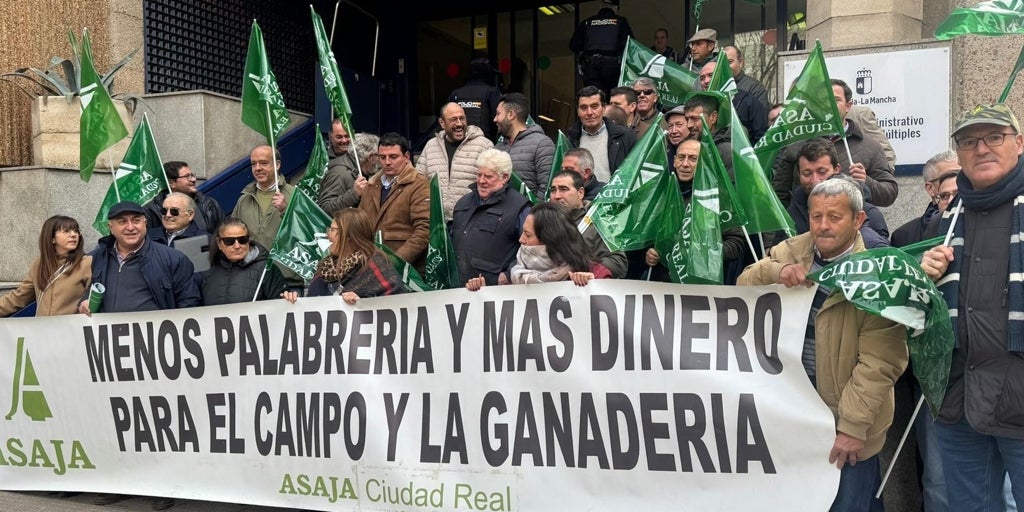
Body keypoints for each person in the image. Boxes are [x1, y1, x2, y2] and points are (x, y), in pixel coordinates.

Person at [738, 178, 908, 512]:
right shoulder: (792, 249)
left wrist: (852, 428)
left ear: (858, 220)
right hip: (795, 413)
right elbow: (743, 285)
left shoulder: (878, 273)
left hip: (845, 423)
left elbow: (880, 362)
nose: (823, 226)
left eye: (834, 217)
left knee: (848, 503)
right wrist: (776, 271)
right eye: (816, 216)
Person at [920, 103, 1024, 511]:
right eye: (968, 141)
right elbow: (922, 313)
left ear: (1019, 143)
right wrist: (925, 277)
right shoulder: (944, 221)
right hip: (959, 402)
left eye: (994, 137)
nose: (981, 148)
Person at [77, 200, 201, 511]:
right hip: (112, 355)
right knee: (116, 420)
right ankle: (120, 481)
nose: (130, 227)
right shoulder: (98, 257)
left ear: (146, 224)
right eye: (122, 222)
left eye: (136, 220)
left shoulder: (172, 259)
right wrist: (85, 302)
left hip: (155, 356)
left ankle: (162, 483)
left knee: (157, 422)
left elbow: (190, 303)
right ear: (110, 226)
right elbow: (90, 292)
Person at [772, 79, 898, 207]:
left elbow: (889, 193)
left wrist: (866, 181)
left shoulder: (870, 146)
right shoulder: (797, 142)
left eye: (836, 100)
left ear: (848, 105)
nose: (829, 105)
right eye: (823, 101)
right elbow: (780, 193)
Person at [644, 139, 747, 284]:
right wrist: (649, 254)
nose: (685, 164)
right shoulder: (662, 193)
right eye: (681, 157)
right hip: (663, 282)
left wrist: (706, 254)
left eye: (693, 159)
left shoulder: (718, 197)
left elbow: (736, 243)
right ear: (674, 161)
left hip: (702, 283)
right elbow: (648, 238)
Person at [779, 138, 890, 248]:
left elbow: (881, 253)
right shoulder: (793, 210)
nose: (815, 181)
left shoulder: (870, 214)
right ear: (799, 174)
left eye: (822, 172)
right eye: (807, 174)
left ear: (836, 169)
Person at [466, 201, 597, 289]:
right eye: (523, 232)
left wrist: (591, 283)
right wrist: (482, 292)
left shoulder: (590, 271)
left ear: (548, 239)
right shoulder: (515, 276)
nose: (521, 240)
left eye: (528, 235)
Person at [451, 148, 531, 286]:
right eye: (479, 175)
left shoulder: (520, 208)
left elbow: (531, 249)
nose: (481, 181)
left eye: (488, 177)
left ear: (504, 178)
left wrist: (508, 275)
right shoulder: (463, 203)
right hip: (457, 287)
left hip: (494, 290)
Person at [354, 132, 430, 271]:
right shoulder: (371, 184)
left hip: (407, 270)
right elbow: (359, 225)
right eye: (382, 157)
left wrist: (395, 262)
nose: (387, 162)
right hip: (371, 266)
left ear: (406, 157)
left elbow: (424, 231)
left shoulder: (419, 184)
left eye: (393, 157)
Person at [231, 145, 300, 291]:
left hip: (287, 281)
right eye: (253, 164)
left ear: (277, 165)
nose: (257, 168)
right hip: (251, 280)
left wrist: (286, 210)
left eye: (263, 163)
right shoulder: (244, 199)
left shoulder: (295, 195)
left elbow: (308, 234)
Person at [306, 208, 406, 303]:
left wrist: (362, 304)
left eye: (332, 230)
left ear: (349, 235)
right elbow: (310, 303)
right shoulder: (325, 267)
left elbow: (397, 303)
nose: (328, 235)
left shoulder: (374, 266)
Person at [416, 102, 494, 221]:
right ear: (442, 123)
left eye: (462, 118)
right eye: (453, 120)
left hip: (471, 220)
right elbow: (419, 183)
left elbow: (494, 184)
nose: (459, 124)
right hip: (437, 223)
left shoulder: (483, 146)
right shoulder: (430, 146)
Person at [0, 215, 91, 317]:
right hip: (41, 326)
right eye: (66, 231)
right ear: (52, 238)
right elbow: (19, 298)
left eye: (76, 231)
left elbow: (96, 295)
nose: (74, 235)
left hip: (70, 326)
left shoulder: (86, 263)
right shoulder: (39, 264)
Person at [548, 170, 627, 278]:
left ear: (580, 193)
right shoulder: (542, 220)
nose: (557, 196)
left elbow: (618, 262)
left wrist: (591, 271)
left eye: (563, 189)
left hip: (585, 286)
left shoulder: (600, 220)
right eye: (553, 190)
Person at [201, 218, 288, 305]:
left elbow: (281, 305)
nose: (237, 246)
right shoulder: (209, 273)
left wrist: (288, 298)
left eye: (242, 240)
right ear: (219, 243)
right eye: (229, 241)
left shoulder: (266, 270)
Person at [566, 85, 637, 183]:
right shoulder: (569, 140)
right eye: (583, 108)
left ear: (604, 108)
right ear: (578, 111)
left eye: (594, 106)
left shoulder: (626, 136)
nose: (589, 112)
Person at [891, 150, 959, 248]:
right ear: (930, 188)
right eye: (947, 177)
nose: (957, 182)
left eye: (963, 176)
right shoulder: (903, 235)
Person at [493, 92, 555, 199]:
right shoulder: (497, 148)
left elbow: (547, 188)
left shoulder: (542, 144)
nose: (495, 119)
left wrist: (531, 208)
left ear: (511, 115)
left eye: (498, 114)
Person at [568, 0, 633, 96]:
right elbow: (629, 44)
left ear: (600, 7)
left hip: (591, 65)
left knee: (593, 96)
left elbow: (574, 45)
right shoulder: (620, 21)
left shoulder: (587, 22)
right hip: (612, 65)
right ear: (616, 8)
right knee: (613, 97)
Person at [143, 161, 225, 235]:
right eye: (187, 176)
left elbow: (223, 232)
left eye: (192, 175)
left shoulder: (209, 203)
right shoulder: (152, 209)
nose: (193, 179)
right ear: (171, 183)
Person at [698, 60, 768, 143]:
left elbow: (761, 136)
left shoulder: (747, 101)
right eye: (702, 78)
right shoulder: (697, 105)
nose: (706, 81)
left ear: (723, 76)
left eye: (711, 75)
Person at [448, 57, 503, 142]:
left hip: (458, 142)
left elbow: (447, 117)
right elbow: (498, 118)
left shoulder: (456, 93)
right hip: (483, 142)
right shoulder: (491, 92)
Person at [317, 118, 365, 215]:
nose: (344, 140)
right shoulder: (322, 160)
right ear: (330, 136)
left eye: (347, 136)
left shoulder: (362, 158)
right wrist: (354, 193)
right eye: (339, 137)